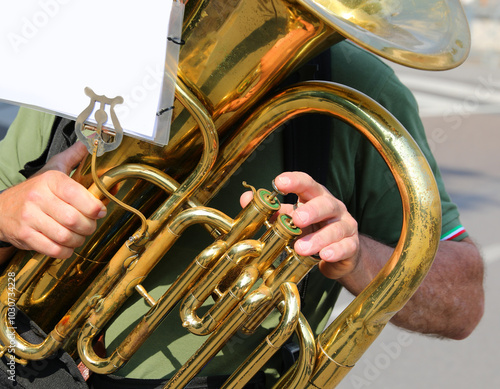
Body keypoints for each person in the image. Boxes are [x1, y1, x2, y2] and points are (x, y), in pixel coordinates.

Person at [0, 40, 484, 388]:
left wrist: (358, 260)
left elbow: (463, 300)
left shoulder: (356, 83)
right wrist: (8, 215)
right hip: (38, 370)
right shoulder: (98, 43)